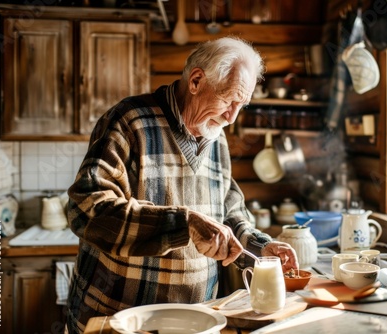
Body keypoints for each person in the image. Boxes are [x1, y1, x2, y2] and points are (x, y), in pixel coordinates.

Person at [66, 36, 299, 333]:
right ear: (196, 81)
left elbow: (229, 212)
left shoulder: (217, 137)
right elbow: (85, 210)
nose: (232, 117)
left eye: (242, 105)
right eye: (228, 100)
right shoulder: (130, 122)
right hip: (121, 318)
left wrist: (260, 248)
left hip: (195, 320)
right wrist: (183, 223)